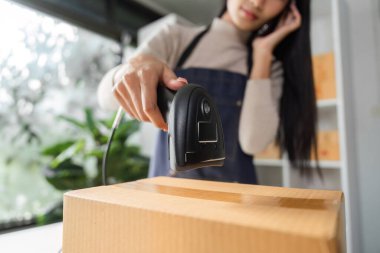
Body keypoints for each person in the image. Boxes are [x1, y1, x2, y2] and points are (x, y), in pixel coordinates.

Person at [97, 0, 318, 184]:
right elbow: (107, 98)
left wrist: (262, 54)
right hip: (168, 200)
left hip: (233, 206)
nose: (258, 2)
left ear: (288, 7)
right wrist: (129, 71)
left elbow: (253, 142)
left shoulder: (269, 68)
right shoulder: (175, 39)